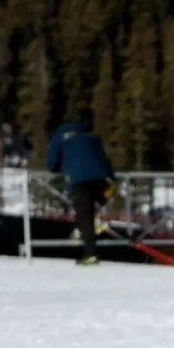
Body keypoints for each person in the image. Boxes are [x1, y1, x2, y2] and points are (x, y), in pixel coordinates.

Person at [46, 107, 116, 266]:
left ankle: (90, 253)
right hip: (103, 181)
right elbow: (104, 159)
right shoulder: (92, 136)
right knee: (91, 211)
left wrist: (64, 166)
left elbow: (51, 165)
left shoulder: (59, 138)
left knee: (85, 217)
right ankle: (98, 222)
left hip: (80, 181)